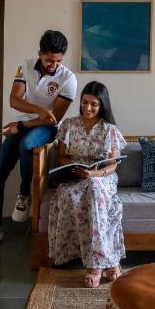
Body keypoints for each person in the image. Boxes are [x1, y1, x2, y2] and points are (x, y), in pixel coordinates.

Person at [0, 30, 77, 250]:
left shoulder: (68, 78)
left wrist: (20, 125)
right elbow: (14, 100)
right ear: (40, 54)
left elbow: (54, 118)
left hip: (46, 128)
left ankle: (24, 193)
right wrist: (39, 109)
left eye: (58, 61)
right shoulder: (26, 66)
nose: (53, 65)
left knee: (27, 143)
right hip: (27, 122)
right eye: (49, 60)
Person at [48, 81, 126, 287]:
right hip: (76, 177)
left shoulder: (110, 130)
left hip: (103, 178)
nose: (88, 108)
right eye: (84, 102)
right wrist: (76, 167)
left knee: (95, 187)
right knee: (80, 194)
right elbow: (61, 157)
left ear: (102, 105)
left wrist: (94, 174)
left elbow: (113, 164)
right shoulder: (69, 125)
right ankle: (111, 262)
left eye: (94, 104)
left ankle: (96, 266)